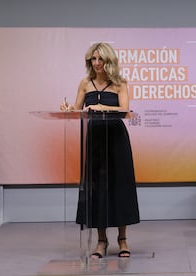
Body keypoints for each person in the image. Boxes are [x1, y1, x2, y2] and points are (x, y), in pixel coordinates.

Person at [60, 42, 140, 259]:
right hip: (94, 138)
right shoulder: (85, 83)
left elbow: (125, 110)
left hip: (116, 138)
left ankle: (122, 239)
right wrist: (69, 110)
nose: (96, 63)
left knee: (119, 186)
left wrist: (103, 107)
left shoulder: (120, 83)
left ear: (109, 61)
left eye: (100, 59)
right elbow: (78, 110)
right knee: (97, 190)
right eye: (93, 59)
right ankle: (101, 242)